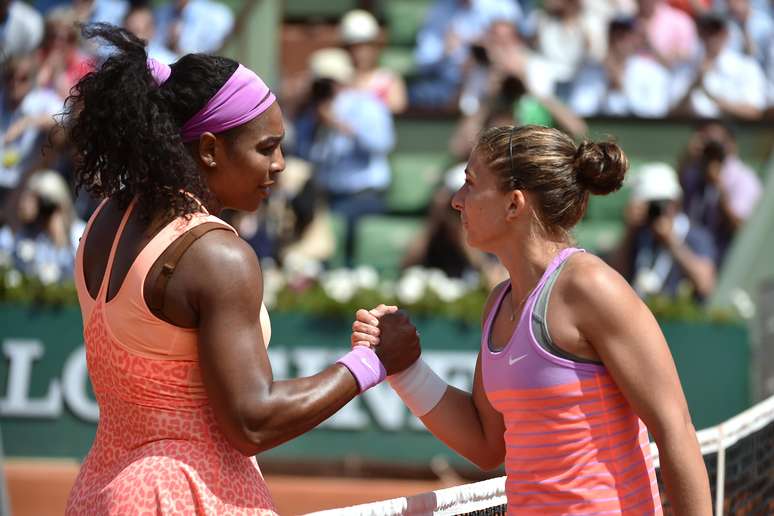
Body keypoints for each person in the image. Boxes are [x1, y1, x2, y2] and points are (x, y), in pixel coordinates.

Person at [63, 25, 419, 514]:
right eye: (266, 148)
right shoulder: (216, 255)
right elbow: (253, 419)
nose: (281, 165)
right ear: (210, 149)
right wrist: (372, 362)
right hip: (180, 496)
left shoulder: (107, 216)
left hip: (100, 491)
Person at [354, 125, 712, 514]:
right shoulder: (498, 304)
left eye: (470, 183)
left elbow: (675, 429)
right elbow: (486, 444)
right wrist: (404, 369)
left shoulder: (591, 286)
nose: (457, 200)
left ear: (514, 204)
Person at [612, 162, 717, 300]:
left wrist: (672, 242)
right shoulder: (638, 234)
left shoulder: (696, 236)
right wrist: (629, 232)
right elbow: (615, 278)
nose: (657, 210)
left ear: (676, 203)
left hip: (677, 311)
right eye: (650, 204)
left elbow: (705, 284)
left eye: (663, 203)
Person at [677, 122, 762, 264]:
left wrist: (719, 187)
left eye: (717, 142)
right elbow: (677, 194)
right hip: (698, 254)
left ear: (732, 145)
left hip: (729, 260)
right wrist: (688, 155)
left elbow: (742, 229)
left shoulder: (744, 179)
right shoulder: (696, 173)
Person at [339, 9, 407, 114]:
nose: (362, 53)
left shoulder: (389, 79)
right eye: (355, 47)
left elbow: (397, 107)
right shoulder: (339, 78)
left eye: (367, 46)